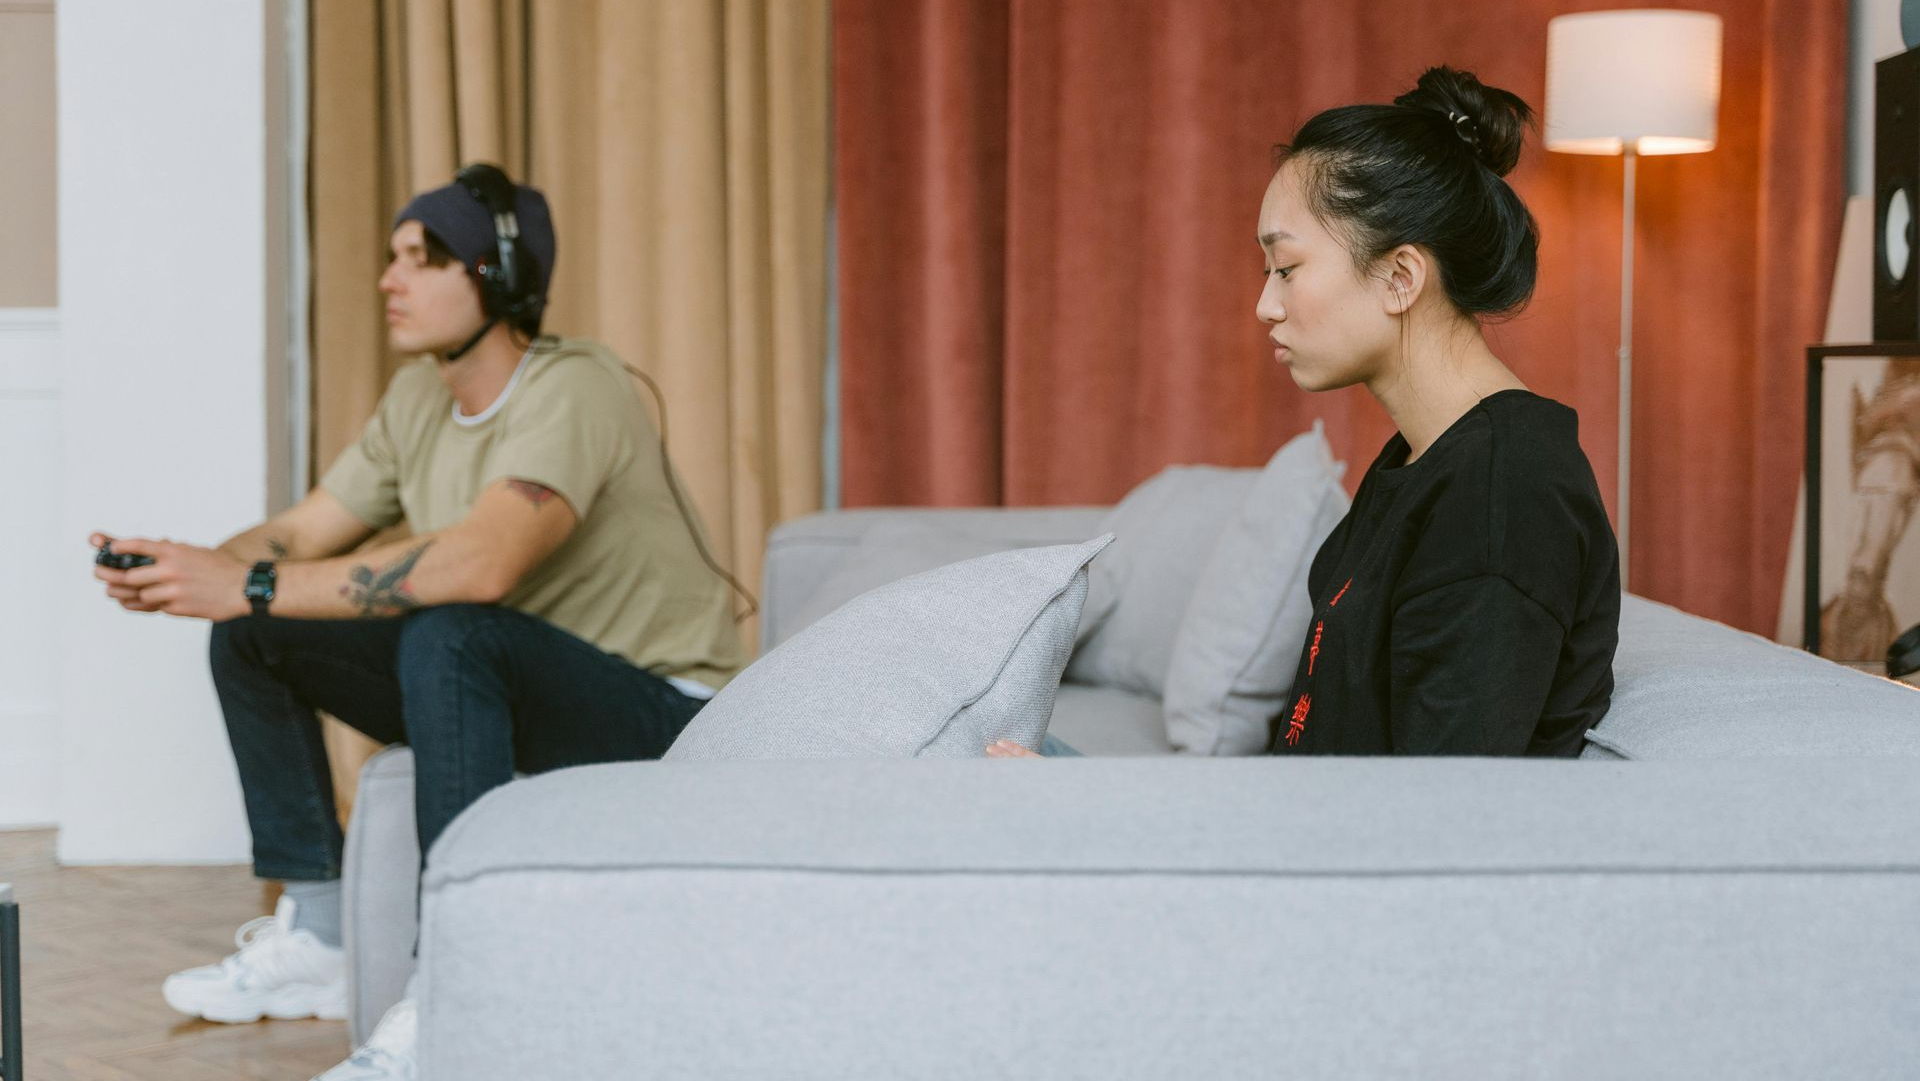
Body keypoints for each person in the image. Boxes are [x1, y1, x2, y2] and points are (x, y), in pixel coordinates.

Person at [91, 165, 748, 1080]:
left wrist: (246, 582)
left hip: (667, 716)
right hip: (516, 686)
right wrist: (191, 566)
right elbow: (298, 534)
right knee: (256, 629)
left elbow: (482, 564)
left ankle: (453, 981)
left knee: (445, 624)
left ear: (495, 276)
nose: (388, 280)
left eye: (420, 258)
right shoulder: (416, 403)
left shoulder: (580, 386)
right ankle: (321, 940)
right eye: (391, 256)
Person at [991, 65, 1618, 761]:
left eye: (1286, 269)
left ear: (1400, 278)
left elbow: (1442, 821)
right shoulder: (1423, 458)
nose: (1266, 305)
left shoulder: (1504, 492)